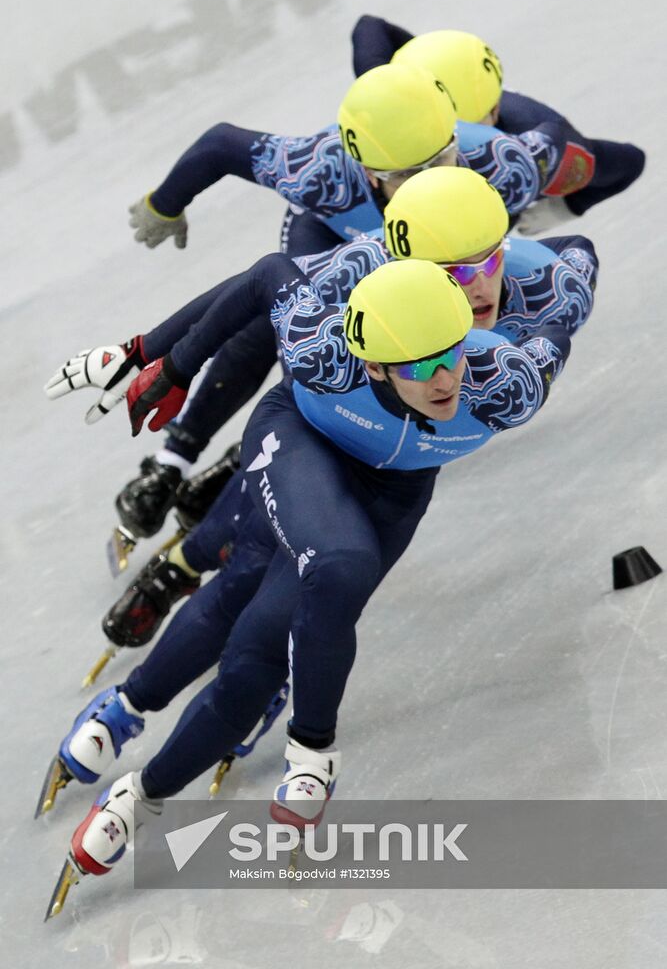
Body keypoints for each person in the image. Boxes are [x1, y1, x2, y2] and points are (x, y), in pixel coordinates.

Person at [53, 256, 573, 886]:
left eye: (451, 354)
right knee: (326, 566)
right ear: (374, 363)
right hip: (301, 439)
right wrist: (162, 360)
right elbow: (265, 273)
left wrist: (548, 267)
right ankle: (308, 750)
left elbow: (567, 296)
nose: (443, 380)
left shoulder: (505, 385)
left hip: (393, 492)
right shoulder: (322, 350)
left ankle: (140, 795)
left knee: (257, 655)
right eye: (418, 365)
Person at [110, 58, 565, 547]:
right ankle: (173, 461)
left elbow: (575, 144)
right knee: (285, 328)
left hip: (419, 270)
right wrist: (165, 204)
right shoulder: (322, 168)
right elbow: (221, 144)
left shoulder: (502, 166)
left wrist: (565, 204)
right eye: (406, 173)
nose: (423, 184)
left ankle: (240, 467)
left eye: (440, 161)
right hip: (335, 245)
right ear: (364, 170)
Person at [351, 17, 646, 233]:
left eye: (461, 134)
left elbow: (630, 162)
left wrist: (565, 207)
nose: (434, 156)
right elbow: (369, 26)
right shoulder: (389, 93)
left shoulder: (545, 150)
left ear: (496, 111)